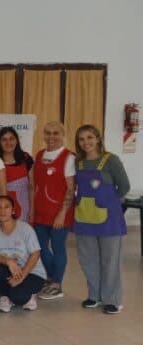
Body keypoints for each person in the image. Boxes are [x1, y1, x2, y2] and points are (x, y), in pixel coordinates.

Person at [73, 125, 130, 314]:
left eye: (90, 137)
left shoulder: (111, 160)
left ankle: (111, 299)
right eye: (81, 139)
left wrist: (109, 202)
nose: (86, 142)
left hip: (109, 219)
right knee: (88, 259)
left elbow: (124, 186)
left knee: (110, 260)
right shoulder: (78, 162)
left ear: (98, 138)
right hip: (84, 218)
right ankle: (94, 296)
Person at [31, 121, 74, 300]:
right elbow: (36, 187)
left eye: (56, 133)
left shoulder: (68, 157)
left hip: (59, 213)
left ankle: (57, 284)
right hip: (41, 212)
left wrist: (62, 214)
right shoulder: (40, 155)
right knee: (40, 248)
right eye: (47, 133)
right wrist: (33, 210)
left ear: (63, 135)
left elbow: (71, 189)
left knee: (58, 248)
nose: (51, 137)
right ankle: (50, 277)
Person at [0, 196, 46, 312]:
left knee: (19, 297)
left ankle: (26, 296)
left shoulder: (25, 228)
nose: (3, 211)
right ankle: (6, 296)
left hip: (32, 273)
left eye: (7, 207)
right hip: (10, 271)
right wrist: (8, 262)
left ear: (13, 210)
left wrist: (21, 277)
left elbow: (35, 254)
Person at [0, 127, 33, 220]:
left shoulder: (26, 158)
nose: (8, 142)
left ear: (16, 140)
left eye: (11, 138)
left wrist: (32, 209)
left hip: (24, 209)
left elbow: (32, 187)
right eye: (4, 140)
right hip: (1, 210)